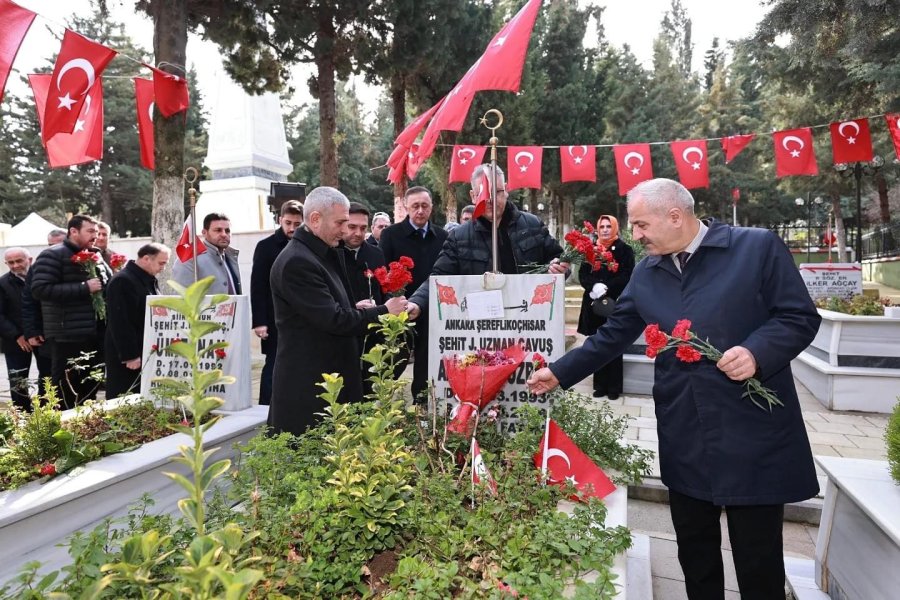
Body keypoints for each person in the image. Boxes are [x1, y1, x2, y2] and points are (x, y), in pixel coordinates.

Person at [527, 178, 821, 600]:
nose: (637, 235)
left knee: (758, 560)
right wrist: (558, 373)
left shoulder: (756, 249)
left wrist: (756, 352)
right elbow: (613, 335)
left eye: (642, 225)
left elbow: (798, 317)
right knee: (695, 553)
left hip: (751, 430)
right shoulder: (647, 271)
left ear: (676, 216)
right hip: (686, 429)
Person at [267, 186, 408, 436]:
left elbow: (322, 310)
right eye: (341, 222)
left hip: (328, 377)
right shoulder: (298, 261)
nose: (345, 230)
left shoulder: (317, 253)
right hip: (311, 385)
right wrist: (385, 311)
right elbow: (333, 320)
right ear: (315, 220)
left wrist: (354, 308)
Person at [407, 164, 567, 317]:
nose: (491, 199)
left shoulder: (532, 225)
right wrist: (417, 302)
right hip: (481, 328)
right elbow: (439, 277)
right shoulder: (459, 237)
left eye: (497, 192)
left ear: (506, 189)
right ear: (473, 196)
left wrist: (559, 267)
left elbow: (558, 260)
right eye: (483, 193)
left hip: (528, 320)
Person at [31, 215, 112, 408]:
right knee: (66, 389)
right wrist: (83, 287)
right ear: (73, 231)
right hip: (67, 335)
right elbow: (40, 289)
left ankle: (86, 428)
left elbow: (106, 285)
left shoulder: (97, 254)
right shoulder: (52, 255)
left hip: (95, 333)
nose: (96, 235)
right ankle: (62, 432)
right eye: (90, 231)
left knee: (91, 385)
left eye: (97, 231)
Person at [379, 186, 448, 402]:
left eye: (424, 206)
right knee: (395, 359)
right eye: (415, 206)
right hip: (400, 309)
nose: (420, 211)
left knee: (427, 361)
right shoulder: (390, 235)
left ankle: (422, 406)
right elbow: (384, 273)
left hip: (432, 310)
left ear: (431, 208)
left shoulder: (443, 236)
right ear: (406, 207)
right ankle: (383, 402)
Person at [576, 215, 635, 400]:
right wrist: (593, 286)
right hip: (594, 305)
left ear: (615, 227)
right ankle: (600, 385)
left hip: (614, 303)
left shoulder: (625, 250)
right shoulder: (591, 250)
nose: (605, 229)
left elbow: (627, 275)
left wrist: (607, 288)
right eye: (602, 226)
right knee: (596, 344)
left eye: (609, 226)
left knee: (614, 343)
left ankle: (614, 387)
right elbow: (583, 273)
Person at [250, 200, 303, 405]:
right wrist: (259, 321)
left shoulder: (308, 245)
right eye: (288, 223)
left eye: (296, 224)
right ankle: (265, 408)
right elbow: (258, 286)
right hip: (273, 319)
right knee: (273, 365)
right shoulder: (265, 247)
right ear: (280, 220)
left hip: (301, 317)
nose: (291, 228)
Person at [104, 243, 170, 399]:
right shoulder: (123, 280)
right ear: (146, 258)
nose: (163, 268)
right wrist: (130, 355)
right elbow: (120, 321)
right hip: (128, 354)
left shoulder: (146, 278)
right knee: (124, 396)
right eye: (161, 263)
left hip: (143, 347)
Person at [341, 202, 388, 396]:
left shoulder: (375, 253)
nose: (358, 233)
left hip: (374, 332)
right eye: (352, 227)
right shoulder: (332, 255)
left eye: (363, 228)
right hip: (345, 332)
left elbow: (383, 289)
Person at [20, 230, 67, 392]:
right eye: (50, 245)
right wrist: (32, 331)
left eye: (58, 244)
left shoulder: (77, 261)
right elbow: (28, 301)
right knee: (48, 377)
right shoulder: (40, 266)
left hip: (74, 332)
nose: (54, 248)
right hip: (47, 332)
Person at [0, 248, 42, 410]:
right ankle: (22, 413)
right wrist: (17, 335)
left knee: (47, 375)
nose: (15, 265)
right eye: (11, 262)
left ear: (29, 260)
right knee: (18, 378)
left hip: (41, 336)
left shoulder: (41, 279)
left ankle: (46, 409)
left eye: (19, 261)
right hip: (15, 340)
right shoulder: (2, 283)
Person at [173, 213, 241, 295]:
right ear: (204, 232)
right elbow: (181, 296)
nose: (224, 234)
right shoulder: (191, 259)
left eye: (227, 231)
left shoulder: (230, 257)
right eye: (218, 230)